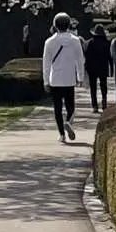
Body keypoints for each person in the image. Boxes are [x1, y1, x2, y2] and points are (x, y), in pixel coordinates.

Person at [40, 13, 86, 143]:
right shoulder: (75, 40)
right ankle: (68, 122)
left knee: (57, 107)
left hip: (55, 78)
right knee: (70, 105)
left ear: (55, 25)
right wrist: (80, 77)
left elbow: (46, 63)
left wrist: (45, 81)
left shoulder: (49, 42)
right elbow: (80, 60)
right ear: (69, 25)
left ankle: (61, 134)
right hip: (69, 77)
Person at [83, 24, 112, 112]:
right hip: (103, 67)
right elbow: (110, 57)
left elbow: (86, 56)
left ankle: (95, 106)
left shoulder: (89, 43)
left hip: (92, 68)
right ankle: (104, 102)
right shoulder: (107, 43)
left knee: (93, 87)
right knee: (103, 86)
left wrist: (86, 68)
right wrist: (112, 69)